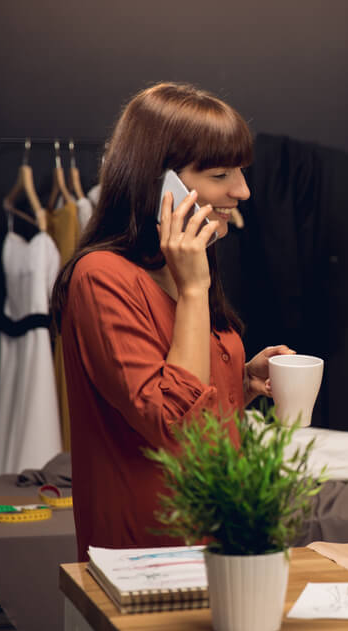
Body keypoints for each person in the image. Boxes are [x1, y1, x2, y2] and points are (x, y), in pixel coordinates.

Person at [51, 83, 293, 560]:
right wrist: (193, 289)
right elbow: (170, 421)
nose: (242, 190)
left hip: (218, 544)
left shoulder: (183, 267)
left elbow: (185, 403)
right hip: (147, 560)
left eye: (241, 171)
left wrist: (238, 385)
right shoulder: (102, 277)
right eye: (221, 173)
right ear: (159, 182)